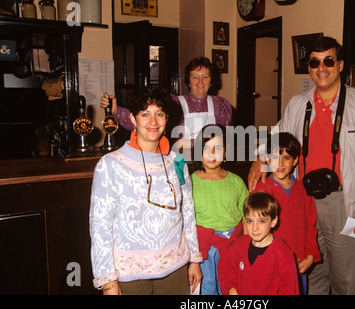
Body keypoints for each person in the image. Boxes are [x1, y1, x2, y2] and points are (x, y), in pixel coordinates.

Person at [248, 36, 355, 295]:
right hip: (303, 202)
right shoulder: (298, 104)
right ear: (309, 68)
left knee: (346, 282)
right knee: (310, 276)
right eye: (315, 62)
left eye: (328, 60)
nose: (322, 68)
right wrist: (259, 159)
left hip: (349, 204)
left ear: (340, 65)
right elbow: (279, 136)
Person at [90, 88, 203, 295]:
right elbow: (100, 227)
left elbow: (188, 211)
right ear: (133, 119)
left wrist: (194, 258)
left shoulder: (177, 161)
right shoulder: (111, 165)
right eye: (145, 114)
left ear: (167, 119)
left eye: (159, 114)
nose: (153, 121)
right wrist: (108, 281)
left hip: (175, 269)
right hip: (129, 275)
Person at [100, 56, 233, 157]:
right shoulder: (174, 102)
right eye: (195, 77)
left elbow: (226, 138)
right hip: (181, 162)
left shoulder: (220, 105)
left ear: (211, 82)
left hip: (211, 161)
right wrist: (116, 110)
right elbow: (144, 122)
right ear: (188, 81)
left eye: (205, 77)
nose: (200, 82)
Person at [253, 132, 320, 294]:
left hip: (298, 265)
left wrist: (310, 254)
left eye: (287, 158)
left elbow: (310, 225)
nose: (280, 163)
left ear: (295, 160)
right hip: (271, 266)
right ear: (268, 160)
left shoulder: (303, 190)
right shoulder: (262, 190)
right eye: (275, 157)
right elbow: (254, 231)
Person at [192, 124, 248, 295]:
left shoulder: (236, 181)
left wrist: (247, 245)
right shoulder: (190, 182)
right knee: (207, 288)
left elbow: (246, 216)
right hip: (204, 246)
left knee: (231, 286)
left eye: (217, 148)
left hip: (233, 243)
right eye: (206, 148)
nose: (211, 154)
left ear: (225, 152)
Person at [218, 192, 299, 295]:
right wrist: (231, 288)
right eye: (250, 221)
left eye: (261, 221)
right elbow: (226, 267)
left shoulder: (282, 253)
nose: (254, 228)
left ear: (273, 222)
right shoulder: (240, 244)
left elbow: (290, 290)